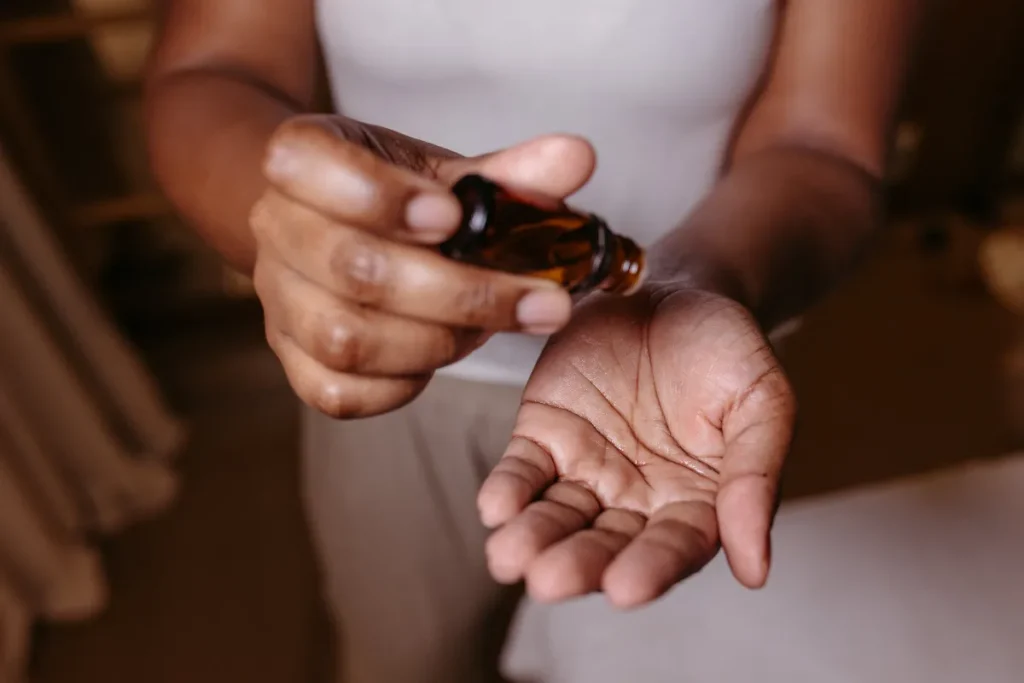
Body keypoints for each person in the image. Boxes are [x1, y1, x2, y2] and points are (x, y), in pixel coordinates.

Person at [144, 1, 922, 681]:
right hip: (398, 371)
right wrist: (307, 238)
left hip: (686, 389)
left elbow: (827, 140)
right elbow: (214, 69)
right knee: (402, 654)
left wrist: (689, 284)